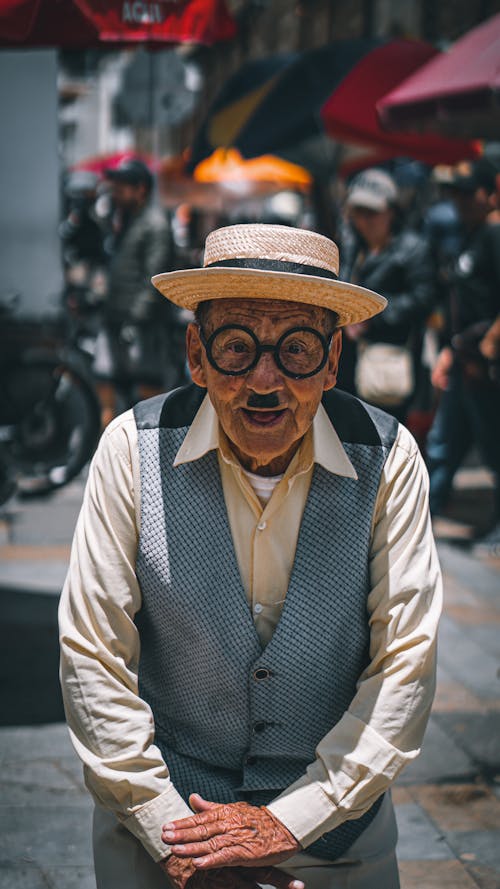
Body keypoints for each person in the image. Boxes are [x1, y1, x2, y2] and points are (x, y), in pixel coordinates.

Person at [59, 223, 442, 889]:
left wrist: (296, 817)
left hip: (336, 830)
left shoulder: (389, 458)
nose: (265, 380)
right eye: (236, 346)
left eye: (295, 348)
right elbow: (92, 657)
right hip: (165, 822)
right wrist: (173, 840)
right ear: (196, 354)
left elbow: (406, 664)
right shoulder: (131, 448)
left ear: (331, 361)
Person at [426, 159, 500, 554]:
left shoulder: (494, 233)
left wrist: (488, 348)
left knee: (491, 446)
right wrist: (450, 354)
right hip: (463, 361)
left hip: (485, 368)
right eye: (457, 194)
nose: (461, 202)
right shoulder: (470, 236)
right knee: (443, 444)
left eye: (469, 193)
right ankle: (420, 521)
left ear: (491, 192)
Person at [338, 168, 436, 422]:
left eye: (372, 212)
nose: (364, 220)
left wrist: (371, 315)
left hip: (390, 357)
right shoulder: (350, 247)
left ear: (391, 211)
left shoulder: (413, 249)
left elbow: (424, 298)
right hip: (349, 360)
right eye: (358, 212)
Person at [95, 158, 181, 426]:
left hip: (143, 329)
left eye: (121, 188)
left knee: (147, 395)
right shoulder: (128, 222)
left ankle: (147, 453)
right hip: (119, 322)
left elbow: (154, 280)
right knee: (109, 385)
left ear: (140, 188)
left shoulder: (154, 224)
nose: (115, 194)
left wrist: (136, 319)